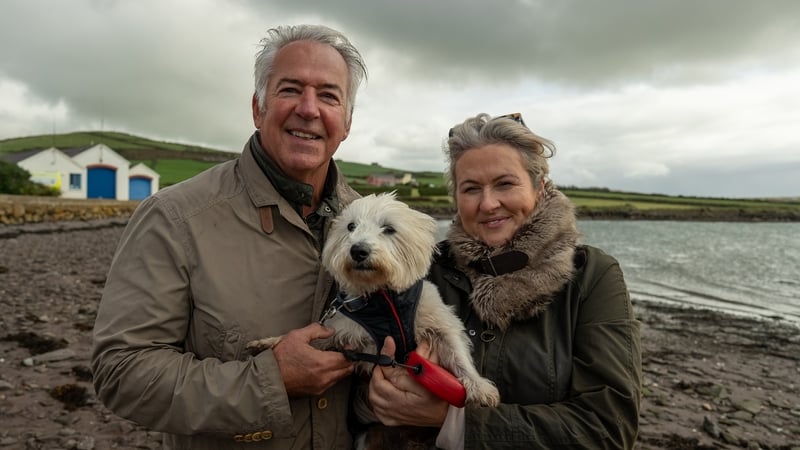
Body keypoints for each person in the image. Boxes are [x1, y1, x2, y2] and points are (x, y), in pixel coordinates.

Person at [91, 24, 367, 449]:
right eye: (290, 89)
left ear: (346, 122)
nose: (309, 109)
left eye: (329, 96)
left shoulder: (371, 225)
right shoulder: (176, 217)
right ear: (258, 108)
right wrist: (270, 380)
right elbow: (122, 372)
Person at [367, 113, 642, 449]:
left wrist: (453, 421)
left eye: (505, 183)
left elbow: (608, 429)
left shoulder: (592, 276)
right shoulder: (419, 271)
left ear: (540, 186)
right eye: (471, 189)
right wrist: (379, 391)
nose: (488, 203)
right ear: (456, 198)